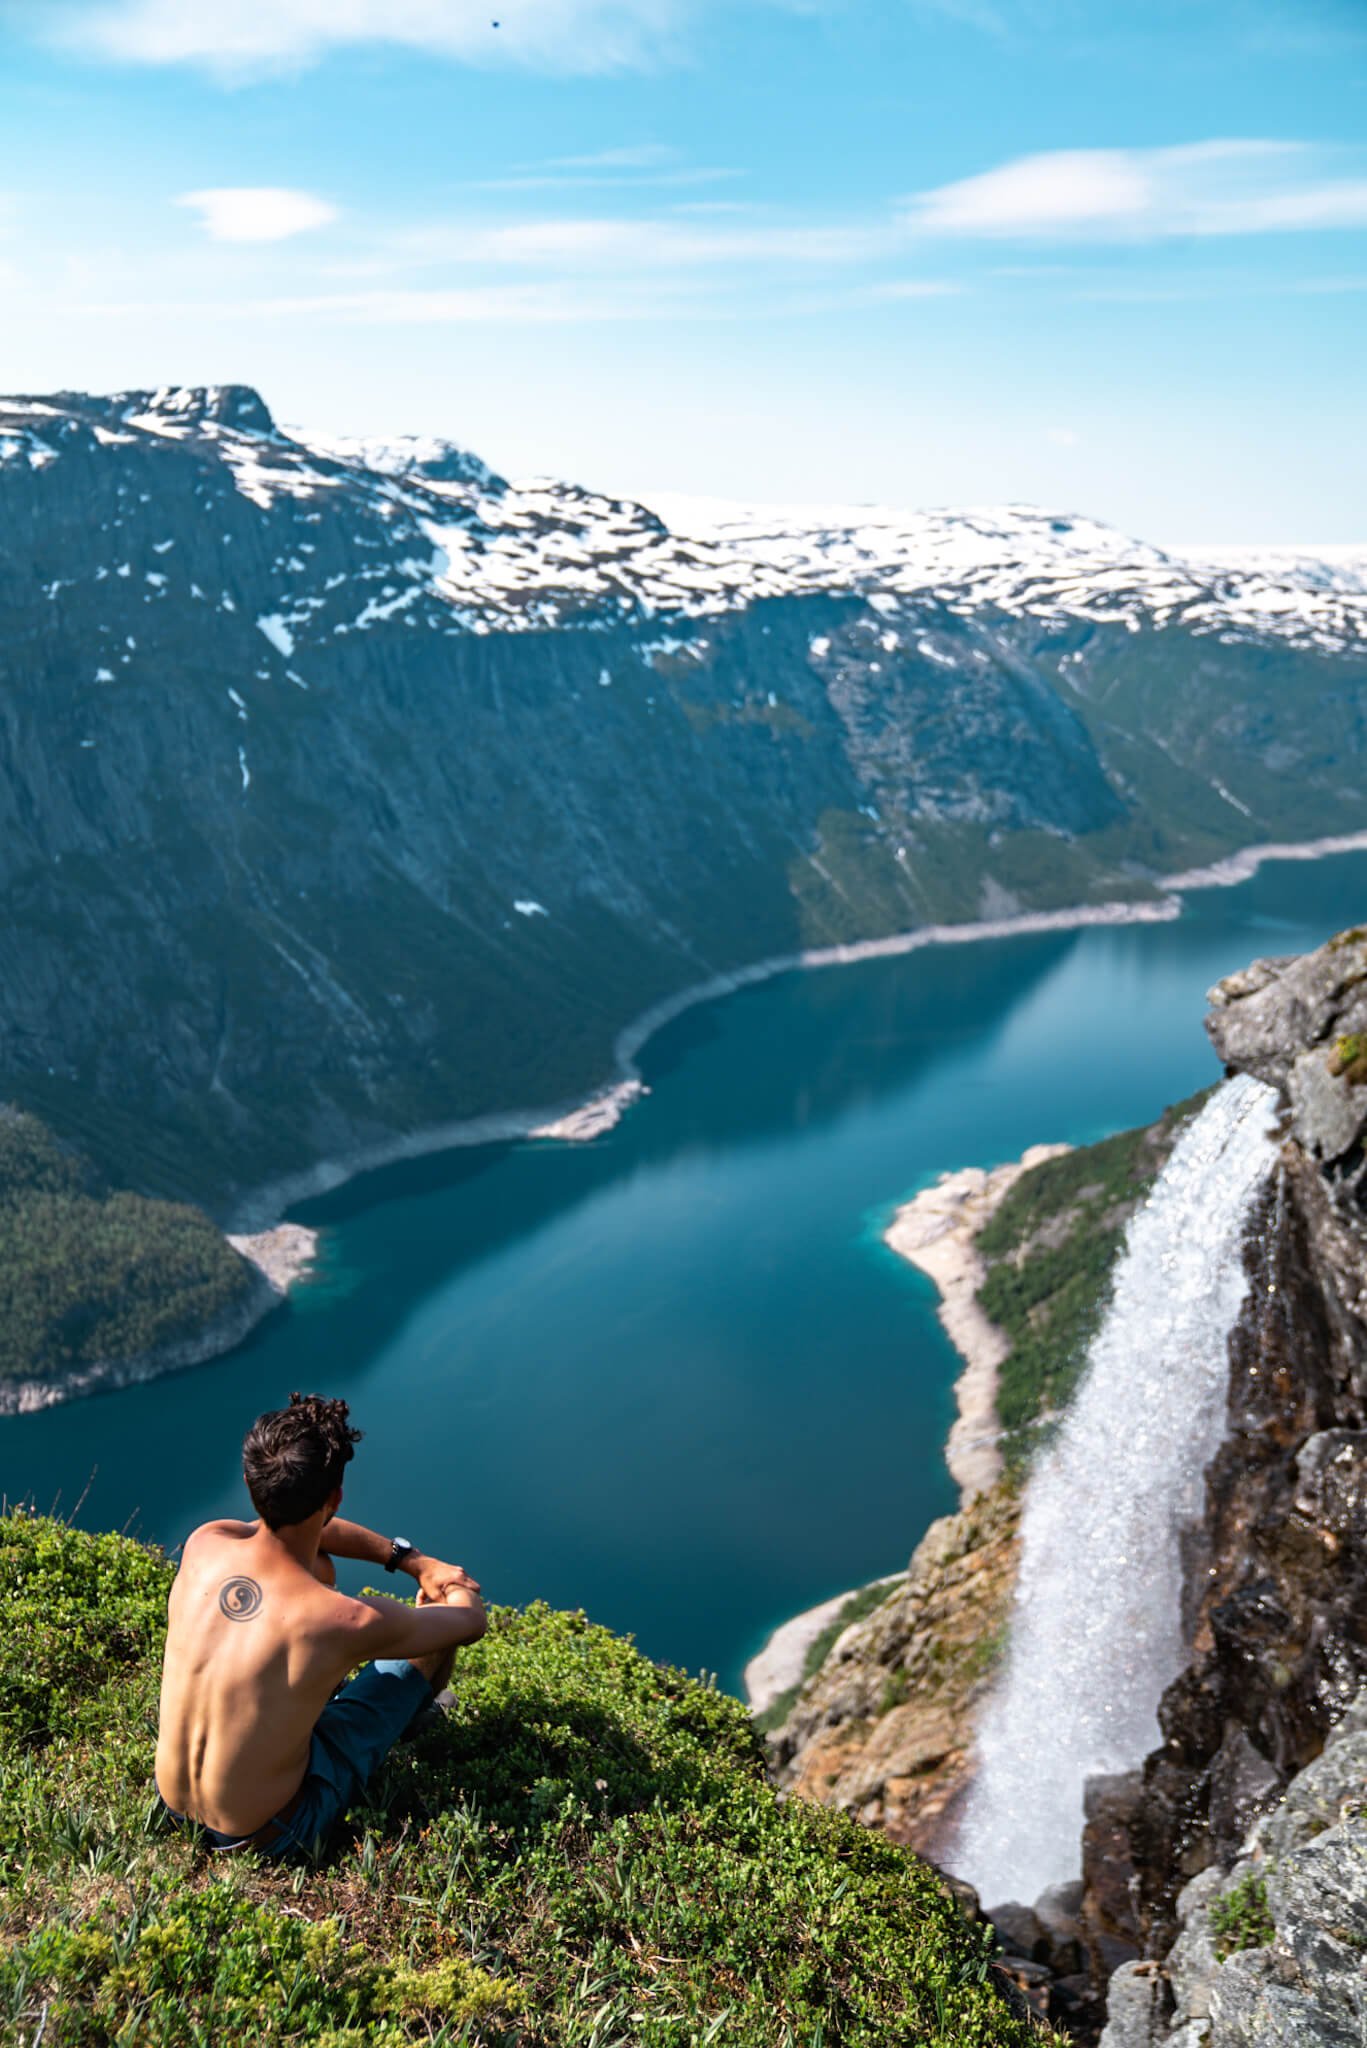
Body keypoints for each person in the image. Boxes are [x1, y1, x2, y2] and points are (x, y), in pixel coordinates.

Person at [155, 1391, 486, 1856]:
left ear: (255, 1485)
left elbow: (310, 1533)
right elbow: (468, 1623)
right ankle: (411, 1715)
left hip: (172, 1804)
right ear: (335, 1497)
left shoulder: (205, 1542)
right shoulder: (346, 1620)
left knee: (320, 1565)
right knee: (426, 1642)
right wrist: (445, 1583)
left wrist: (408, 1559)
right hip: (268, 1833)